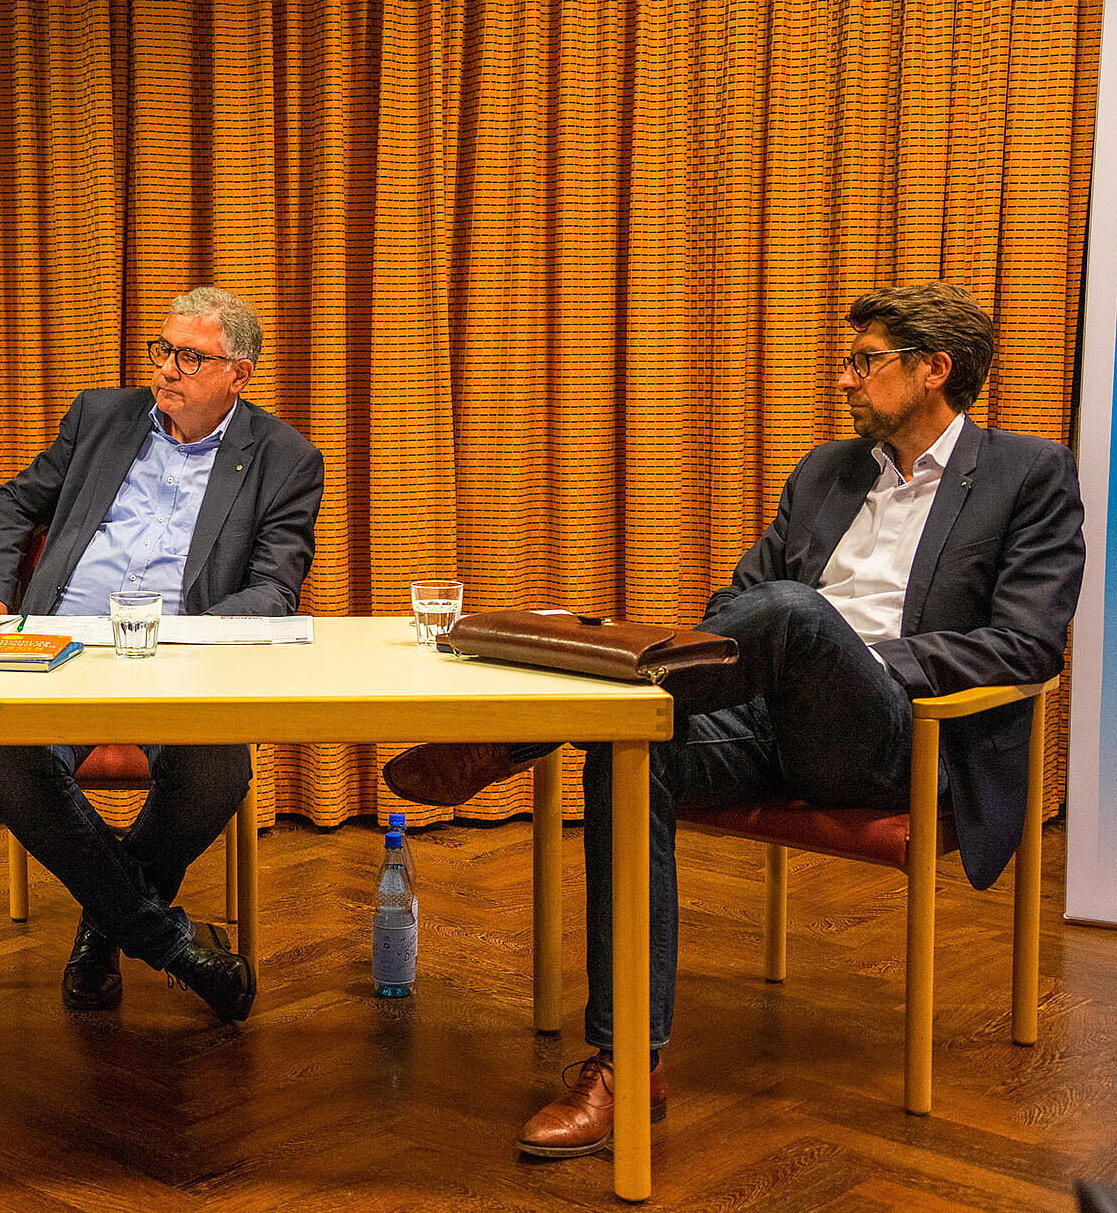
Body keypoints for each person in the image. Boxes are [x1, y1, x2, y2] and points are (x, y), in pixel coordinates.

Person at [384, 281, 1084, 1157]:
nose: (845, 380)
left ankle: (525, 725)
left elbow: (1025, 648)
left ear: (935, 369)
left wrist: (856, 658)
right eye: (848, 362)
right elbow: (731, 605)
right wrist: (785, 641)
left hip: (900, 735)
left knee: (795, 613)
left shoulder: (1028, 473)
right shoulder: (826, 471)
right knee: (629, 749)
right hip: (771, 712)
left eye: (865, 361)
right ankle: (627, 1065)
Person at [0, 286, 325, 1021]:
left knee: (217, 766)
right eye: (162, 350)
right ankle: (171, 942)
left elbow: (272, 591)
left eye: (189, 357)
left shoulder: (284, 458)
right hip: (59, 642)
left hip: (180, 658)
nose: (165, 369)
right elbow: (15, 504)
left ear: (239, 374)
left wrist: (180, 640)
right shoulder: (101, 417)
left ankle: (111, 927)